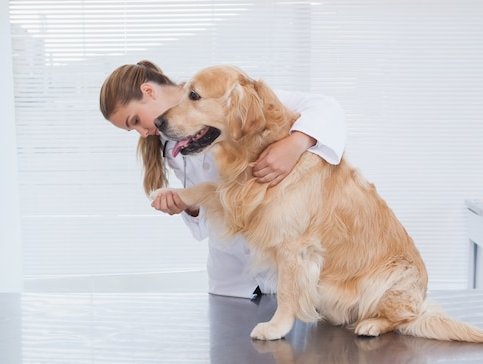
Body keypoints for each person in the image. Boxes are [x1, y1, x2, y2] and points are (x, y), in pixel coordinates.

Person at [100, 60, 346, 299]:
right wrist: (188, 205)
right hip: (231, 280)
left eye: (135, 121)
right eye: (133, 130)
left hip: (283, 265)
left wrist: (297, 143)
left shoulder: (225, 91)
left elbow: (327, 107)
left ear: (149, 91)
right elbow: (208, 218)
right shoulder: (172, 146)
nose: (143, 134)